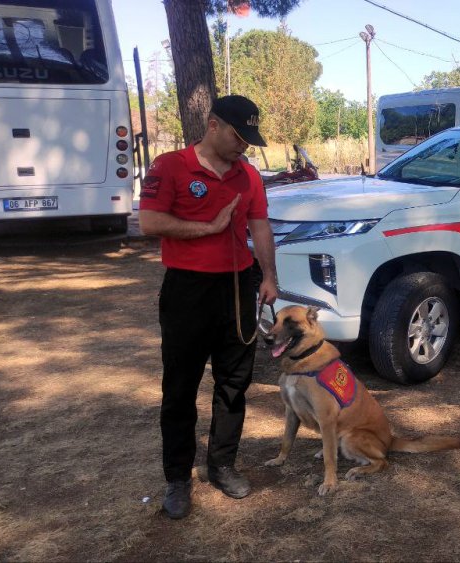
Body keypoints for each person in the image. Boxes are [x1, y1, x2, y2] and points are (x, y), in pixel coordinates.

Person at [138, 95, 278, 520]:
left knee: (234, 383)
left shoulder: (248, 175)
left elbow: (260, 225)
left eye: (249, 139)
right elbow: (149, 222)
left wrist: (269, 277)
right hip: (187, 290)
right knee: (180, 387)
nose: (245, 147)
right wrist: (210, 227)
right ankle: (178, 478)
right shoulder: (171, 166)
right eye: (239, 136)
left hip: (236, 286)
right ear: (213, 125)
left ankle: (221, 465)